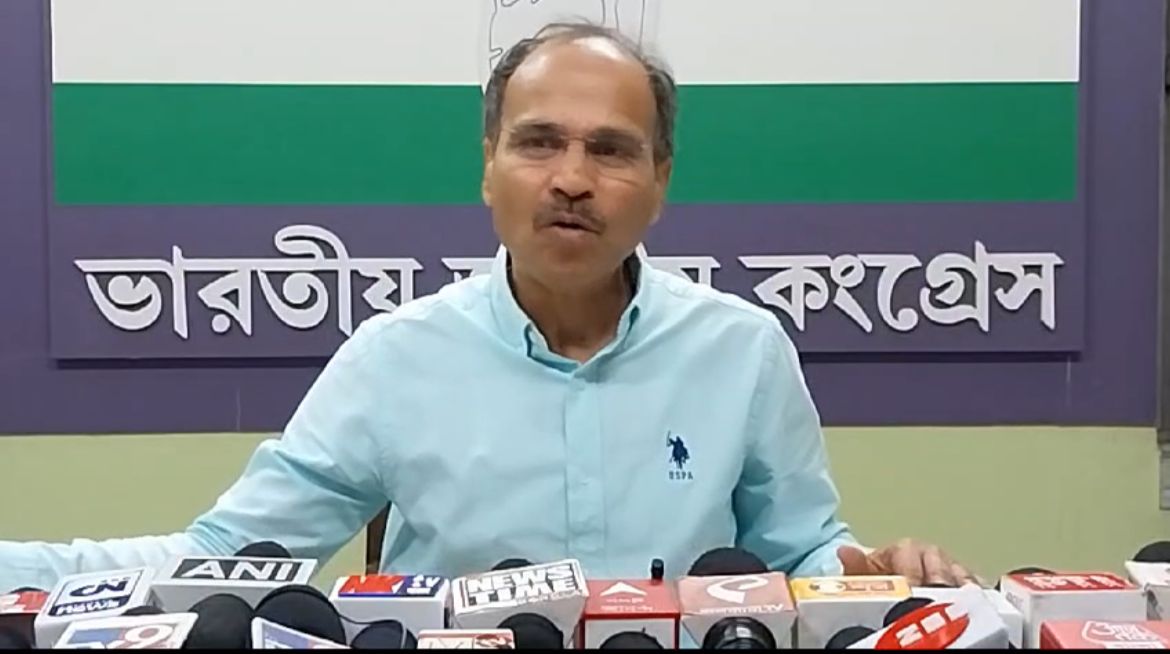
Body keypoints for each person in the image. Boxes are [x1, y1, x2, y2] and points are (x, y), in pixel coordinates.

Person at [0, 22, 977, 592]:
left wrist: (869, 568)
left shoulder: (743, 350)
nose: (571, 179)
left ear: (661, 182)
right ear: (488, 167)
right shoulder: (395, 359)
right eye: (538, 142)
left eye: (610, 150)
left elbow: (801, 551)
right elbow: (223, 559)